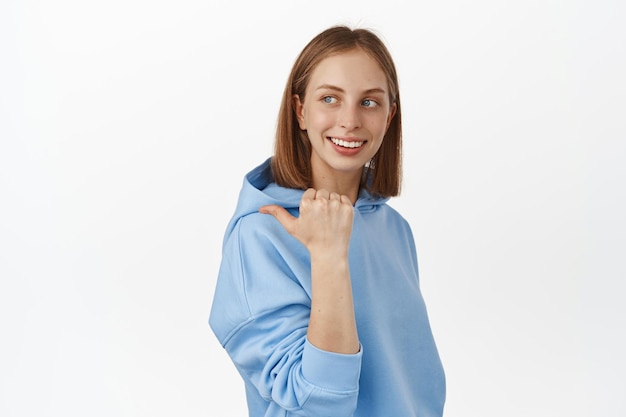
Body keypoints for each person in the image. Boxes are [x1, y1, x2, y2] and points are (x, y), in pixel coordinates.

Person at [209, 25, 446, 417]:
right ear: (301, 111)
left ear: (390, 116)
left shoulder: (393, 229)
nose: (349, 120)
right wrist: (328, 256)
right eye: (330, 98)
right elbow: (315, 404)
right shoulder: (259, 235)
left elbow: (414, 381)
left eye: (369, 102)